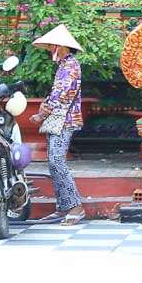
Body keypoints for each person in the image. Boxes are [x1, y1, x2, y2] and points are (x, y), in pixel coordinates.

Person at [30, 24, 87, 224]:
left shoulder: (70, 66)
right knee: (54, 163)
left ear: (60, 46)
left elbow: (60, 95)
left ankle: (76, 206)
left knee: (57, 162)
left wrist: (42, 114)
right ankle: (64, 207)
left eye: (51, 46)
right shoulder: (64, 65)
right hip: (61, 119)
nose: (50, 50)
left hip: (65, 120)